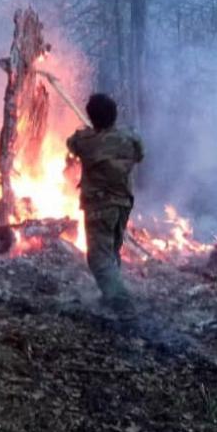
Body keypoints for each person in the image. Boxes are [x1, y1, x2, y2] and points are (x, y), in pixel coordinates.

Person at [67, 93, 144, 314]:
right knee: (111, 251)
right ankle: (109, 296)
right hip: (123, 204)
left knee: (98, 258)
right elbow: (140, 154)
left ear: (92, 118)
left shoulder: (86, 142)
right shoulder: (129, 139)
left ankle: (121, 303)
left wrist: (91, 132)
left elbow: (71, 143)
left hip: (100, 207)